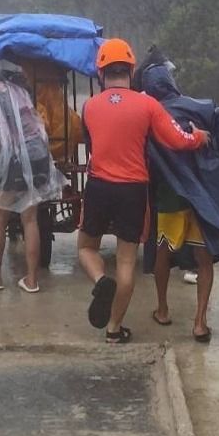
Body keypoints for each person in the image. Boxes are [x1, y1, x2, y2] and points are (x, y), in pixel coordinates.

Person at [77, 39, 209, 344]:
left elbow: (92, 145)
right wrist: (198, 137)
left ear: (101, 72)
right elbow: (178, 140)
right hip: (133, 190)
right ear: (131, 70)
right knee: (126, 261)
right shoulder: (148, 105)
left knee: (86, 248)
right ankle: (113, 329)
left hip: (98, 186)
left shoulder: (89, 107)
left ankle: (100, 281)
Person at [138, 55, 219, 343]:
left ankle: (162, 309)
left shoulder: (150, 113)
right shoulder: (203, 107)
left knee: (163, 252)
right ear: (171, 82)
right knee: (204, 259)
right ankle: (200, 322)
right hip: (204, 198)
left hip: (169, 197)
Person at [0, 57, 65, 293]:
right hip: (39, 153)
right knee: (29, 218)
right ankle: (31, 280)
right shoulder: (16, 90)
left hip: (13, 159)